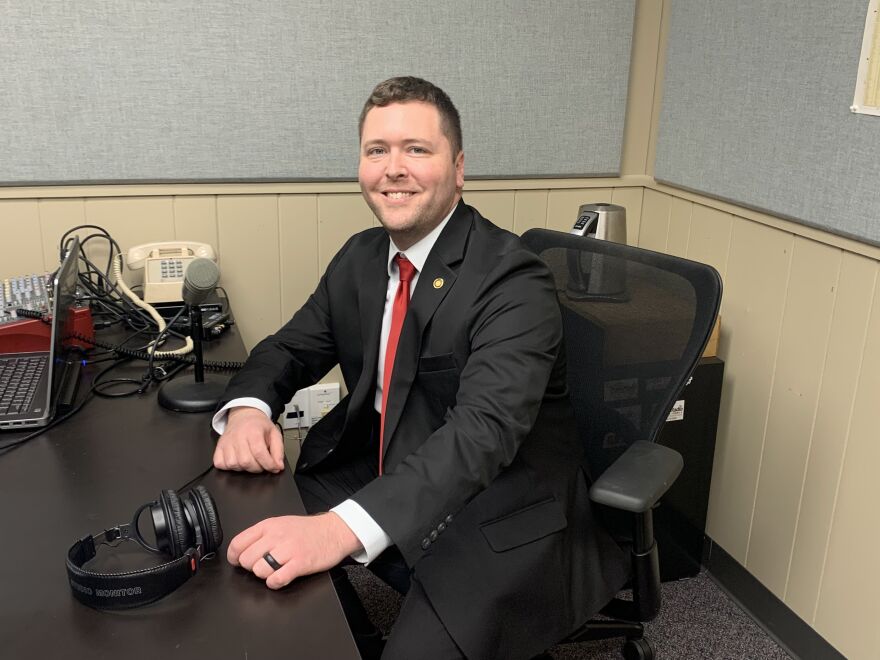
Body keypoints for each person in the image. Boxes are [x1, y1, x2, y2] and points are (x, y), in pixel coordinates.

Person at [211, 76, 627, 660]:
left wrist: (337, 530)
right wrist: (250, 410)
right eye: (376, 150)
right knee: (246, 533)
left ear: (458, 169)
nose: (393, 168)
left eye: (417, 150)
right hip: (383, 465)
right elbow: (287, 349)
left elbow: (482, 434)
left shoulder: (513, 279)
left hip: (498, 505)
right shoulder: (360, 257)